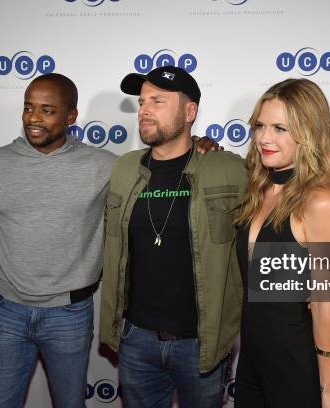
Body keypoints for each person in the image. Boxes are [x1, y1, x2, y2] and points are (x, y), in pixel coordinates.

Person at [0, 73, 116, 407]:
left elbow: (162, 171)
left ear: (70, 117)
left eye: (47, 110)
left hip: (70, 314)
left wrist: (202, 151)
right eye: (29, 107)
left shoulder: (105, 166)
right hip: (6, 312)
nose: (34, 117)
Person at [99, 66, 247, 408]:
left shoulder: (229, 169)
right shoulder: (124, 168)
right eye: (142, 102)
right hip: (137, 340)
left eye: (158, 101)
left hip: (202, 343)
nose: (145, 110)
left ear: (190, 111)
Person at [234, 78, 330, 408]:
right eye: (260, 126)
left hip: (295, 364)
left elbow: (324, 305)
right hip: (251, 359)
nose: (265, 138)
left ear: (308, 133)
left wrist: (326, 388)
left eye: (280, 128)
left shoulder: (319, 202)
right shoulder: (259, 190)